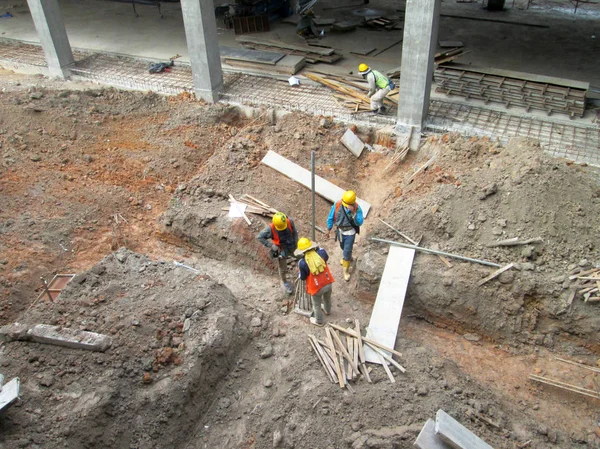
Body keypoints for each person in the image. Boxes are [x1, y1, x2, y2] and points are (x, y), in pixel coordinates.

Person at [325, 190, 364, 281]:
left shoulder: (357, 208)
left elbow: (359, 222)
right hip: (340, 231)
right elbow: (331, 217)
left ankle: (346, 271)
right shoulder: (338, 204)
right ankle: (347, 257)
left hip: (350, 233)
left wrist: (353, 213)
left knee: (346, 251)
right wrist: (328, 229)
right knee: (343, 247)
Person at [296, 237, 334, 326]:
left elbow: (303, 277)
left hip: (316, 288)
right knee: (327, 298)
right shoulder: (322, 252)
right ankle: (327, 311)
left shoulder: (302, 262)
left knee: (316, 305)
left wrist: (300, 273)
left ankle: (319, 321)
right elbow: (326, 258)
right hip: (328, 282)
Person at [257, 212, 298, 295]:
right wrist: (271, 245)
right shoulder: (270, 229)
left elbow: (295, 232)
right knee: (282, 268)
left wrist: (296, 242)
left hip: (292, 245)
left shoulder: (289, 221)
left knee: (302, 257)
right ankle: (285, 282)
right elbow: (259, 237)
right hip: (282, 248)